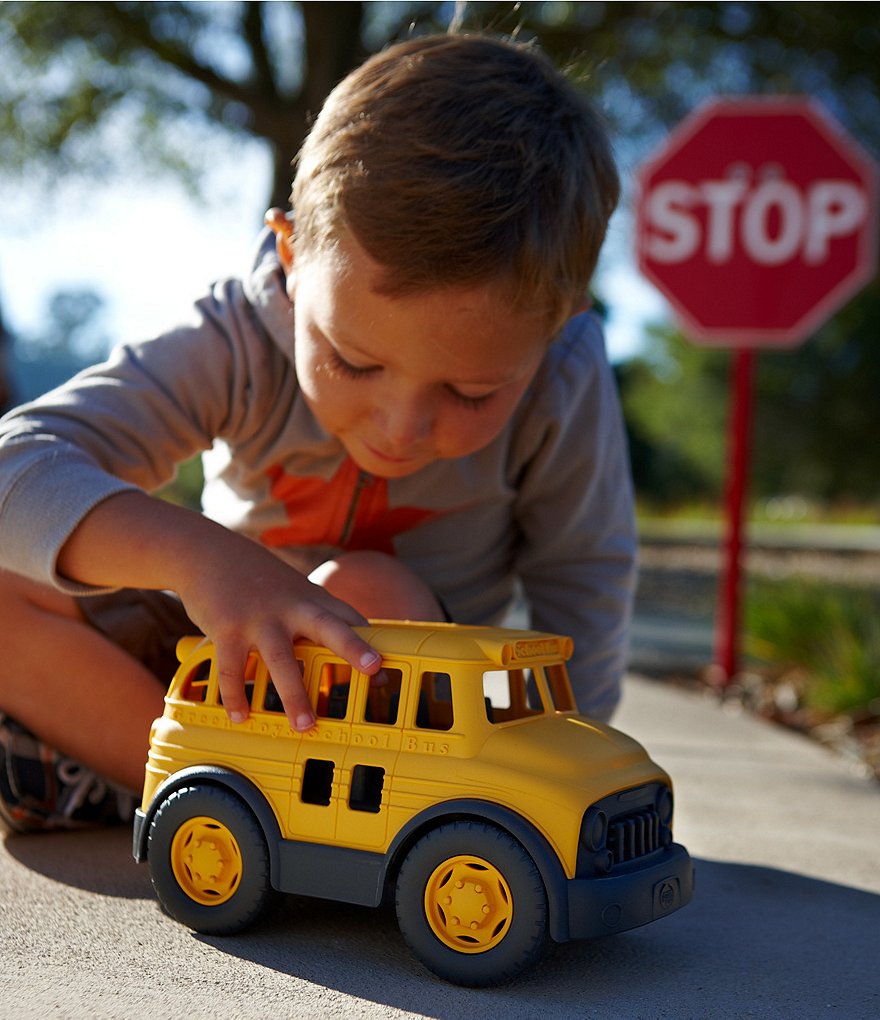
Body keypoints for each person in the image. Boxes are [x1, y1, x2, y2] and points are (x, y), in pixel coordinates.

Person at [0, 32, 635, 832]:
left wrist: (573, 777)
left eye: (472, 390)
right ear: (293, 258)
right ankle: (176, 791)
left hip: (403, 702)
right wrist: (204, 560)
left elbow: (585, 574)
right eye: (353, 361)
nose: (400, 426)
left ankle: (249, 806)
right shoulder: (233, 336)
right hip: (219, 666)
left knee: (362, 591)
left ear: (557, 327)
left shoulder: (567, 375)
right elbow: (13, 467)